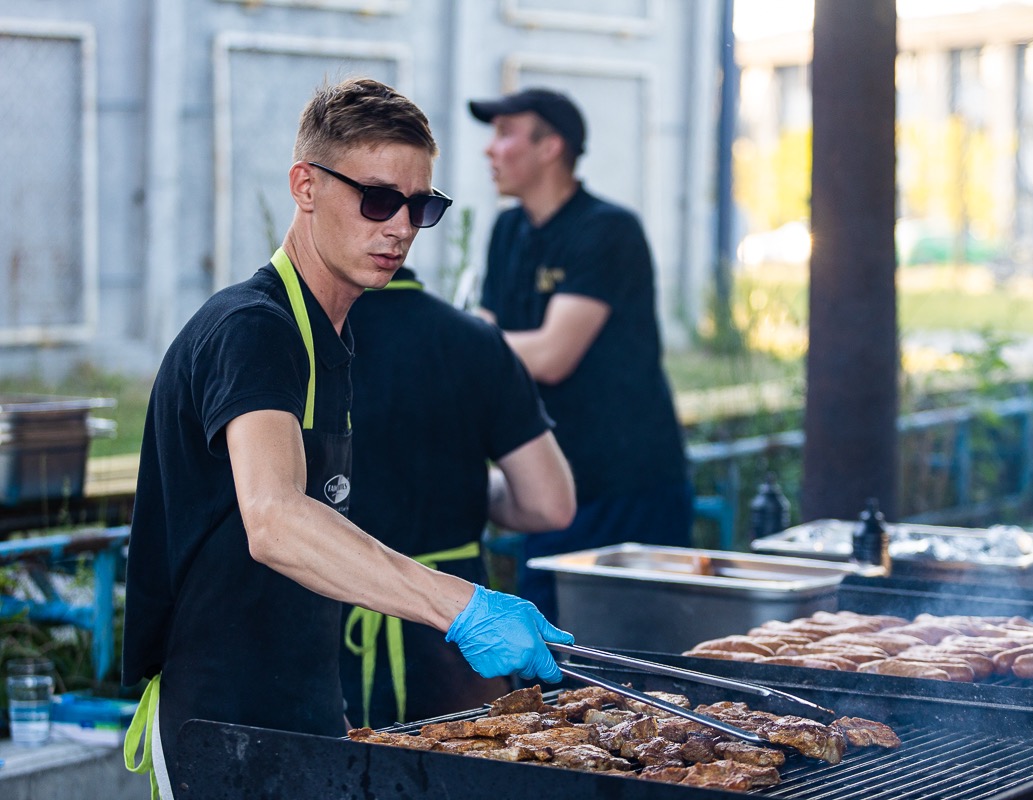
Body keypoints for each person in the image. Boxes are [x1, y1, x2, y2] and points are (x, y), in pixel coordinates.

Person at [121, 78, 573, 797]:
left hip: (303, 708)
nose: (399, 226)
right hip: (223, 729)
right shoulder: (254, 330)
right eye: (377, 199)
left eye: (420, 207)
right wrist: (462, 605)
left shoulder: (331, 337)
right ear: (305, 185)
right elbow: (274, 520)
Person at [468, 87, 693, 624]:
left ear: (551, 147)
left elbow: (550, 355)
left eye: (504, 133)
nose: (489, 150)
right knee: (547, 663)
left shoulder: (606, 230)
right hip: (549, 484)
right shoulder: (508, 230)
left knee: (627, 666)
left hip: (625, 484)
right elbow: (489, 340)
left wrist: (459, 343)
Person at [340, 261, 575, 728]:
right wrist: (469, 486)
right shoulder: (475, 340)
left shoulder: (295, 340)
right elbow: (549, 501)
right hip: (459, 644)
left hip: (327, 640)